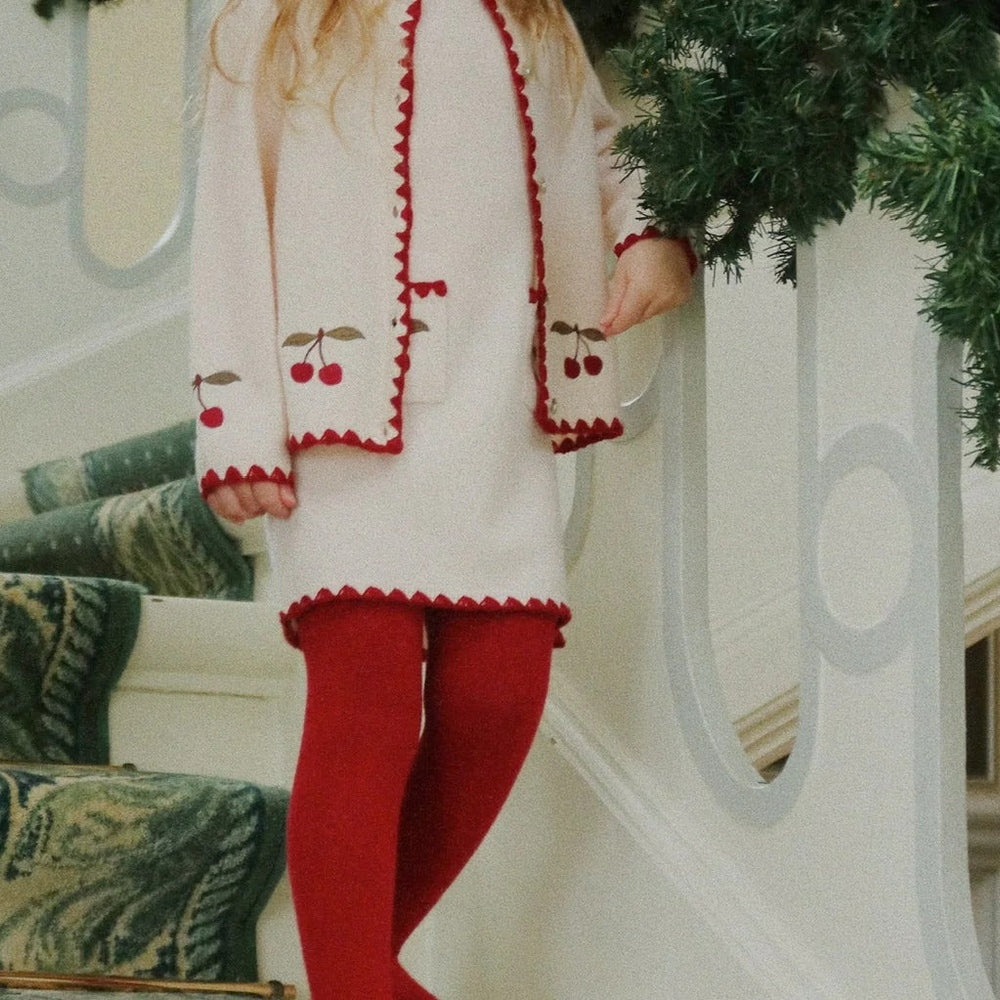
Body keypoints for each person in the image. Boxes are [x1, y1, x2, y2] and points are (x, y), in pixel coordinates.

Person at [189, 1, 693, 997]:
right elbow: (231, 219)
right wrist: (236, 422)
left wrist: (649, 235)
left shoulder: (534, 19)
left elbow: (602, 142)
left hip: (496, 410)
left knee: (501, 691)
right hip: (341, 414)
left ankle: (352, 975)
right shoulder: (279, 20)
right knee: (366, 700)